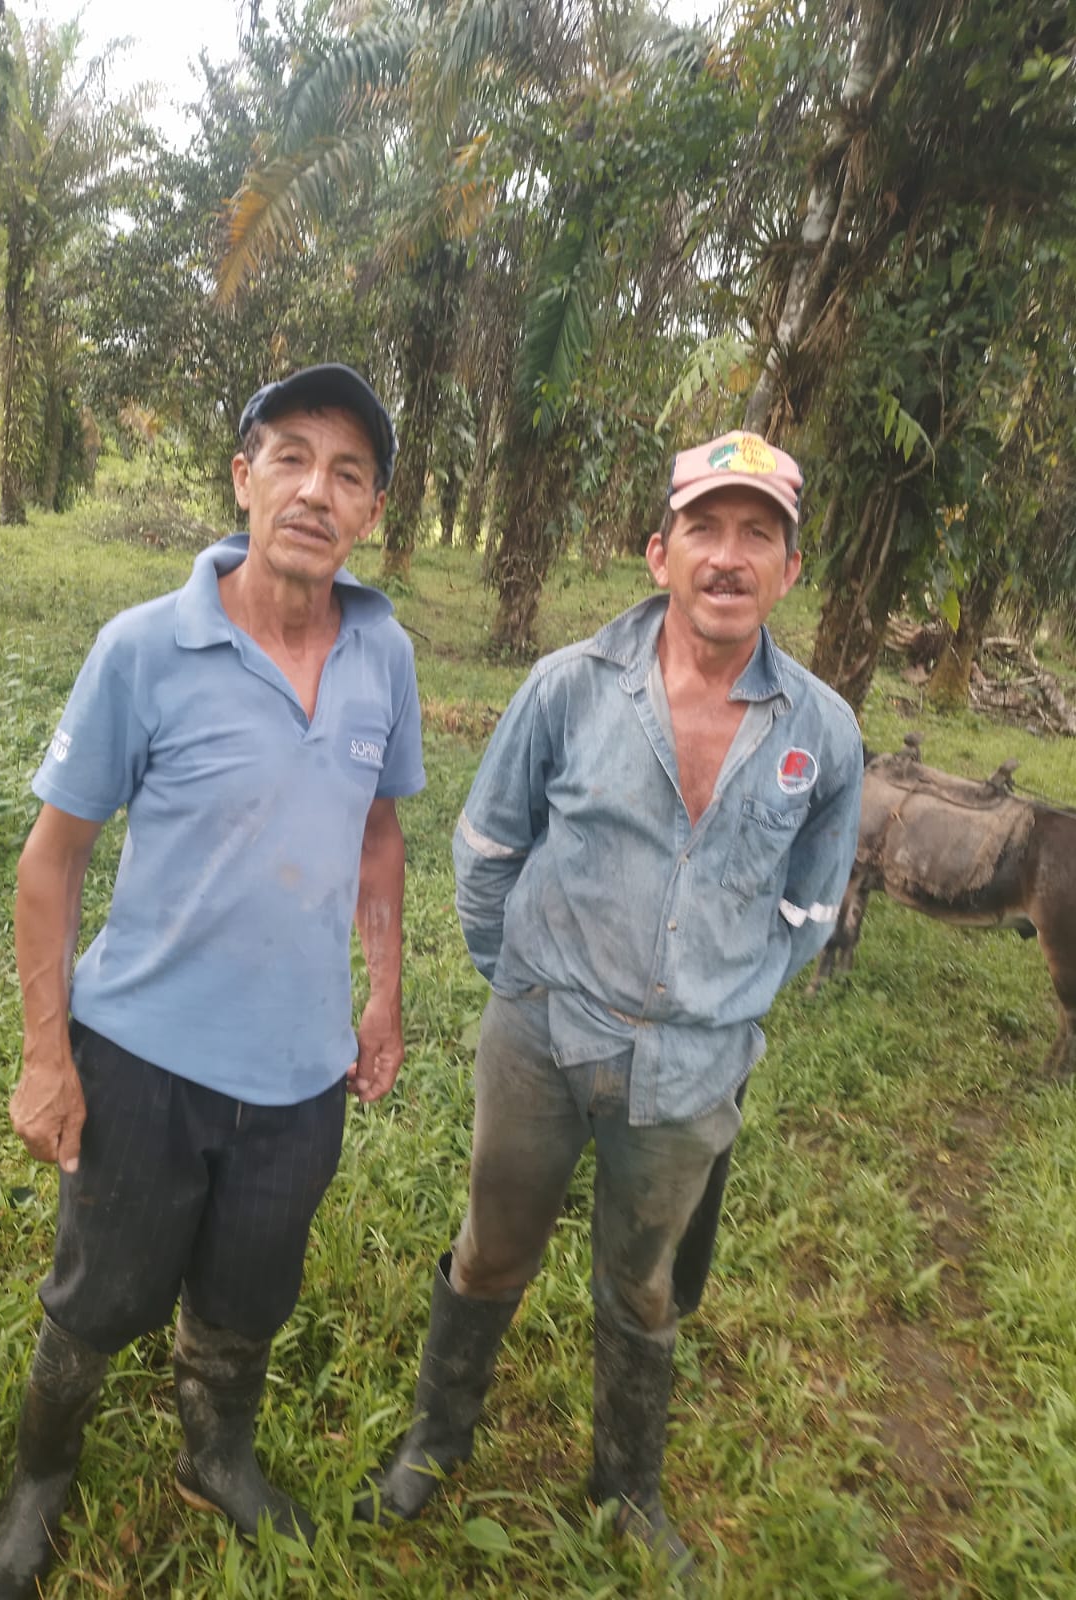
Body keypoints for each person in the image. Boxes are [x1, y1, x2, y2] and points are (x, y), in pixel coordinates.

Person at [354, 431, 865, 1577]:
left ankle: (627, 1486)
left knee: (643, 1284)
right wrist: (521, 985)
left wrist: (723, 1005)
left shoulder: (822, 733)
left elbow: (810, 907)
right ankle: (437, 1439)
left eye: (758, 535)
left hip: (690, 1071)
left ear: (790, 569)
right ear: (658, 552)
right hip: (539, 1039)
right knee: (492, 1249)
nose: (728, 556)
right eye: (704, 528)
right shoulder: (570, 687)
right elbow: (488, 847)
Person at [0, 364, 425, 1600]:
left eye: (348, 473)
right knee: (96, 1295)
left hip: (299, 1073)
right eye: (291, 458)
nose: (316, 492)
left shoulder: (384, 652)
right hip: (142, 1060)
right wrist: (46, 1055)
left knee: (248, 1293)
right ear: (243, 478)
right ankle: (41, 1478)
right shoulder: (144, 648)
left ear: (373, 510)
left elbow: (380, 834)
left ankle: (215, 1456)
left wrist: (382, 992)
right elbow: (52, 861)